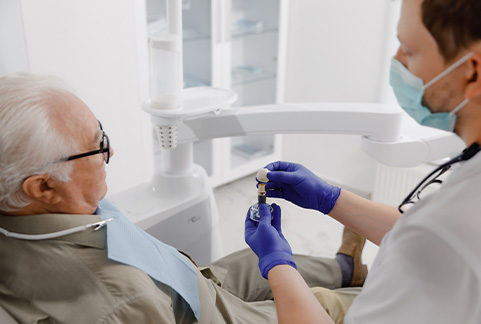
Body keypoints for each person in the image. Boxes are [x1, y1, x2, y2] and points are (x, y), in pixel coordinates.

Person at [0, 72, 367, 324]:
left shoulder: (41, 207)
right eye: (97, 147)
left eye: (102, 135)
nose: (111, 154)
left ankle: (346, 268)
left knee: (251, 262)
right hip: (200, 315)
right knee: (318, 304)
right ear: (43, 186)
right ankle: (359, 297)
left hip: (188, 281)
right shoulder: (121, 303)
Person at [244, 0, 481, 323]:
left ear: (473, 72)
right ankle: (346, 268)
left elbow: (435, 239)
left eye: (409, 50)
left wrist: (276, 263)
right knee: (321, 297)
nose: (397, 60)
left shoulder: (446, 227)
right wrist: (330, 199)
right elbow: (422, 237)